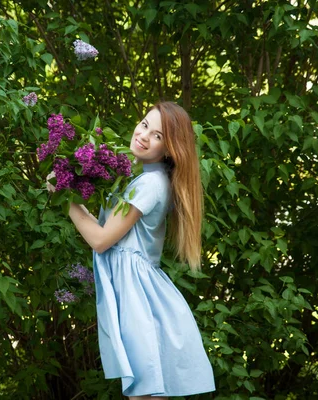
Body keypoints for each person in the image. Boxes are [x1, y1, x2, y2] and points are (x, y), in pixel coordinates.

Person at [52, 101, 216, 399]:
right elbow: (104, 230)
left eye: (158, 136)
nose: (143, 135)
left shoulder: (150, 184)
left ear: (170, 149)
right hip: (138, 293)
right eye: (144, 124)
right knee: (143, 393)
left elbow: (101, 240)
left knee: (143, 392)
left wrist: (65, 197)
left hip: (138, 297)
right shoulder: (143, 179)